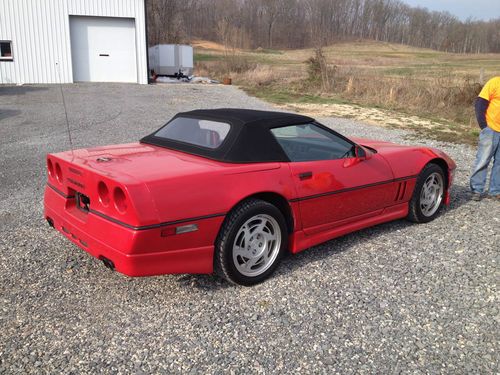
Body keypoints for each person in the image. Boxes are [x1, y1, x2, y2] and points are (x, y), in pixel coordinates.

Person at [470, 76, 500, 201]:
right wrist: (484, 126)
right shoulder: (494, 82)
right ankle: (476, 190)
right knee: (483, 160)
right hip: (490, 129)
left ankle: (495, 191)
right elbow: (480, 103)